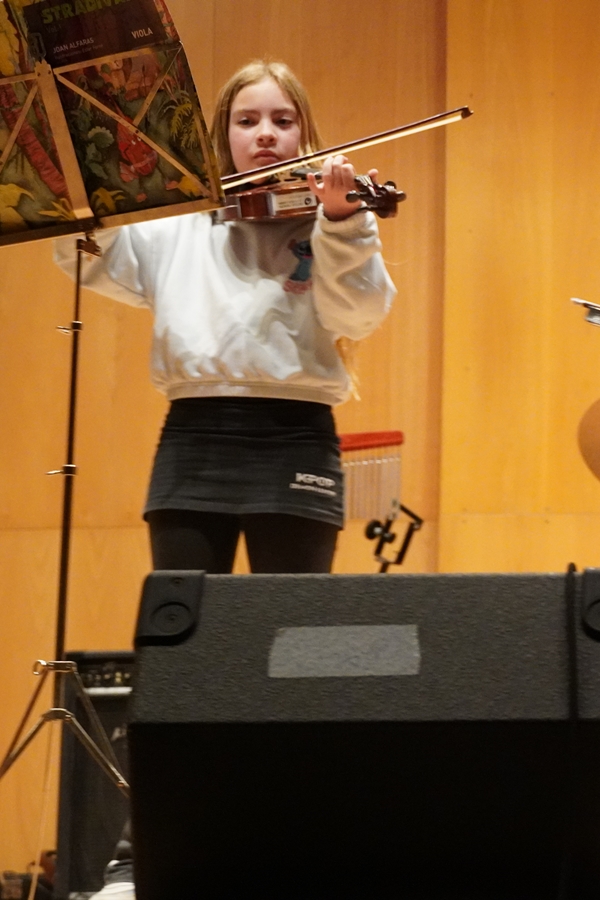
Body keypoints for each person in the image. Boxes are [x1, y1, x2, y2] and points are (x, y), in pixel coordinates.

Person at [56, 59, 396, 899]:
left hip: (296, 441)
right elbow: (90, 259)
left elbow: (361, 314)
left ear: (306, 134)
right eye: (249, 121)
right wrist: (81, 205)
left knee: (296, 652)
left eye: (283, 119)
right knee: (179, 653)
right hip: (195, 437)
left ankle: (297, 841)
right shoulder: (177, 224)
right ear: (223, 135)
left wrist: (344, 224)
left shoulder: (332, 217)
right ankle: (147, 848)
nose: (266, 135)